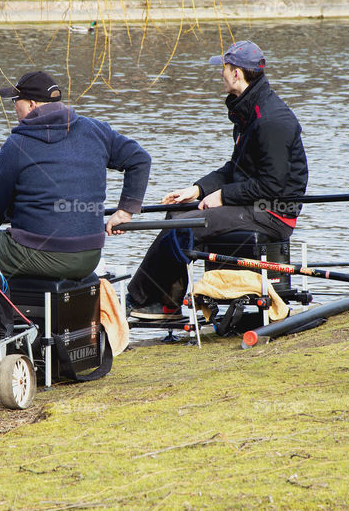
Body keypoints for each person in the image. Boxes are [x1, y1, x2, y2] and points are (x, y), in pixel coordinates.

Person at [126, 40, 308, 319]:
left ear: (237, 73)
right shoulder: (249, 110)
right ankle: (166, 303)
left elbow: (274, 185)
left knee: (184, 227)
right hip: (251, 203)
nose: (220, 73)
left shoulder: (271, 119)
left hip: (272, 213)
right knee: (175, 212)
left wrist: (222, 197)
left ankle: (136, 298)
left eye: (223, 67)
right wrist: (196, 189)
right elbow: (233, 169)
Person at [0, 70, 151, 281]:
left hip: (42, 253)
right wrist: (125, 211)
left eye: (15, 101)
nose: (14, 107)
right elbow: (140, 159)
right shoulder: (95, 130)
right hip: (90, 255)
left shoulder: (17, 145)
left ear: (31, 105)